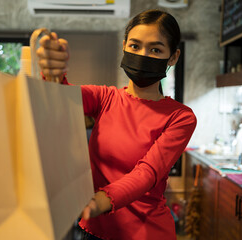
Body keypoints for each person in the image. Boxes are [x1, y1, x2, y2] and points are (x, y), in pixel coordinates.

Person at [37, 9, 197, 240]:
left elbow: (147, 173)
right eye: (134, 46)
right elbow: (59, 98)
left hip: (145, 233)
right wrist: (54, 70)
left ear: (173, 57)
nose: (143, 55)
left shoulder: (180, 117)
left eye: (155, 49)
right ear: (124, 46)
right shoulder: (105, 98)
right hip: (94, 230)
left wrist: (99, 202)